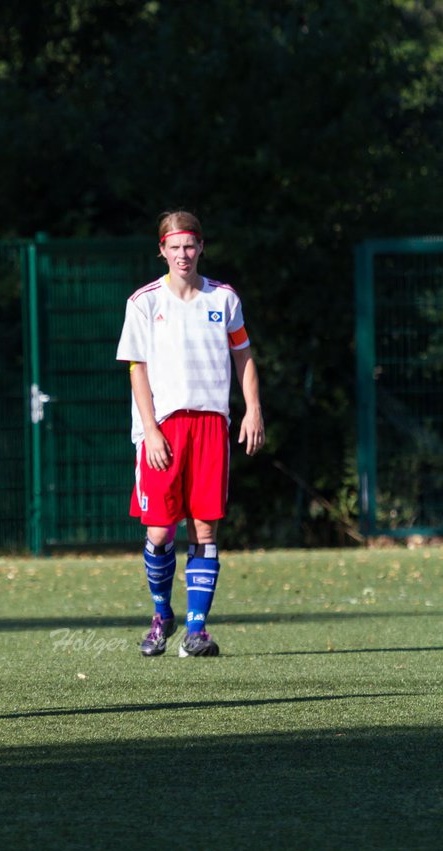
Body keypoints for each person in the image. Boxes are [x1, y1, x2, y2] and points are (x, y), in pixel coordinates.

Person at [115, 211, 265, 658]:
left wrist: (252, 410)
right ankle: (162, 616)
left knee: (205, 526)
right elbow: (136, 369)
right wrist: (152, 430)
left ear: (201, 247)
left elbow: (244, 355)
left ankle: (197, 631)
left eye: (190, 246)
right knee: (160, 532)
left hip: (211, 424)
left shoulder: (224, 298)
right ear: (162, 249)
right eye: (174, 247)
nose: (183, 254)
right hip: (161, 428)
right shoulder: (144, 301)